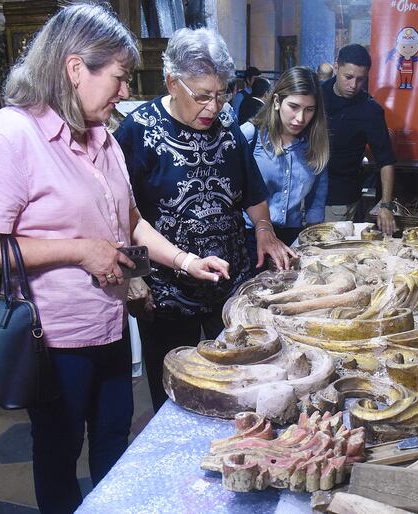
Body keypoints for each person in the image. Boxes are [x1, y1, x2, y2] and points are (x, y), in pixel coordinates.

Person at [0, 5, 228, 513]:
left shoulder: (101, 137)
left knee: (114, 443)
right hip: (52, 338)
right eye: (119, 78)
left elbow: (131, 222)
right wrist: (79, 250)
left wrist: (187, 261)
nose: (125, 91)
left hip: (110, 325)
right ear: (75, 68)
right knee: (58, 451)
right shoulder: (8, 136)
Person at [114, 28, 295, 413]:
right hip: (165, 292)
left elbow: (252, 189)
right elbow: (118, 214)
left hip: (228, 284)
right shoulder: (137, 133)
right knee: (177, 393)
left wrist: (264, 230)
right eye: (201, 96)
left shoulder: (227, 123)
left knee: (239, 383)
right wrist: (134, 276)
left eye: (221, 93)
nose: (212, 107)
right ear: (171, 82)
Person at [240, 66, 329, 267]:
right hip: (249, 237)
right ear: (277, 101)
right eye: (294, 106)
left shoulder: (316, 143)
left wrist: (314, 237)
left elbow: (317, 196)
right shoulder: (249, 136)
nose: (300, 118)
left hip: (294, 237)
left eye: (309, 110)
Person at [322, 44, 397, 235]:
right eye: (348, 77)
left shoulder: (370, 110)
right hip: (304, 194)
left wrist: (386, 206)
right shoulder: (316, 95)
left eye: (361, 79)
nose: (353, 85)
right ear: (336, 67)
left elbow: (386, 160)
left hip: (341, 197)